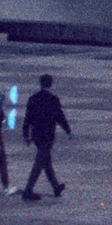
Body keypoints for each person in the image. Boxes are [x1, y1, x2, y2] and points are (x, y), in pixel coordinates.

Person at [20, 74, 68, 202]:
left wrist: (26, 134)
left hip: (36, 135)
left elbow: (27, 119)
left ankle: (56, 187)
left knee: (46, 161)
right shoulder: (53, 99)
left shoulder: (33, 99)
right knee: (40, 162)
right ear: (50, 84)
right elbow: (60, 117)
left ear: (41, 84)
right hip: (48, 135)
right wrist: (68, 131)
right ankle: (28, 190)